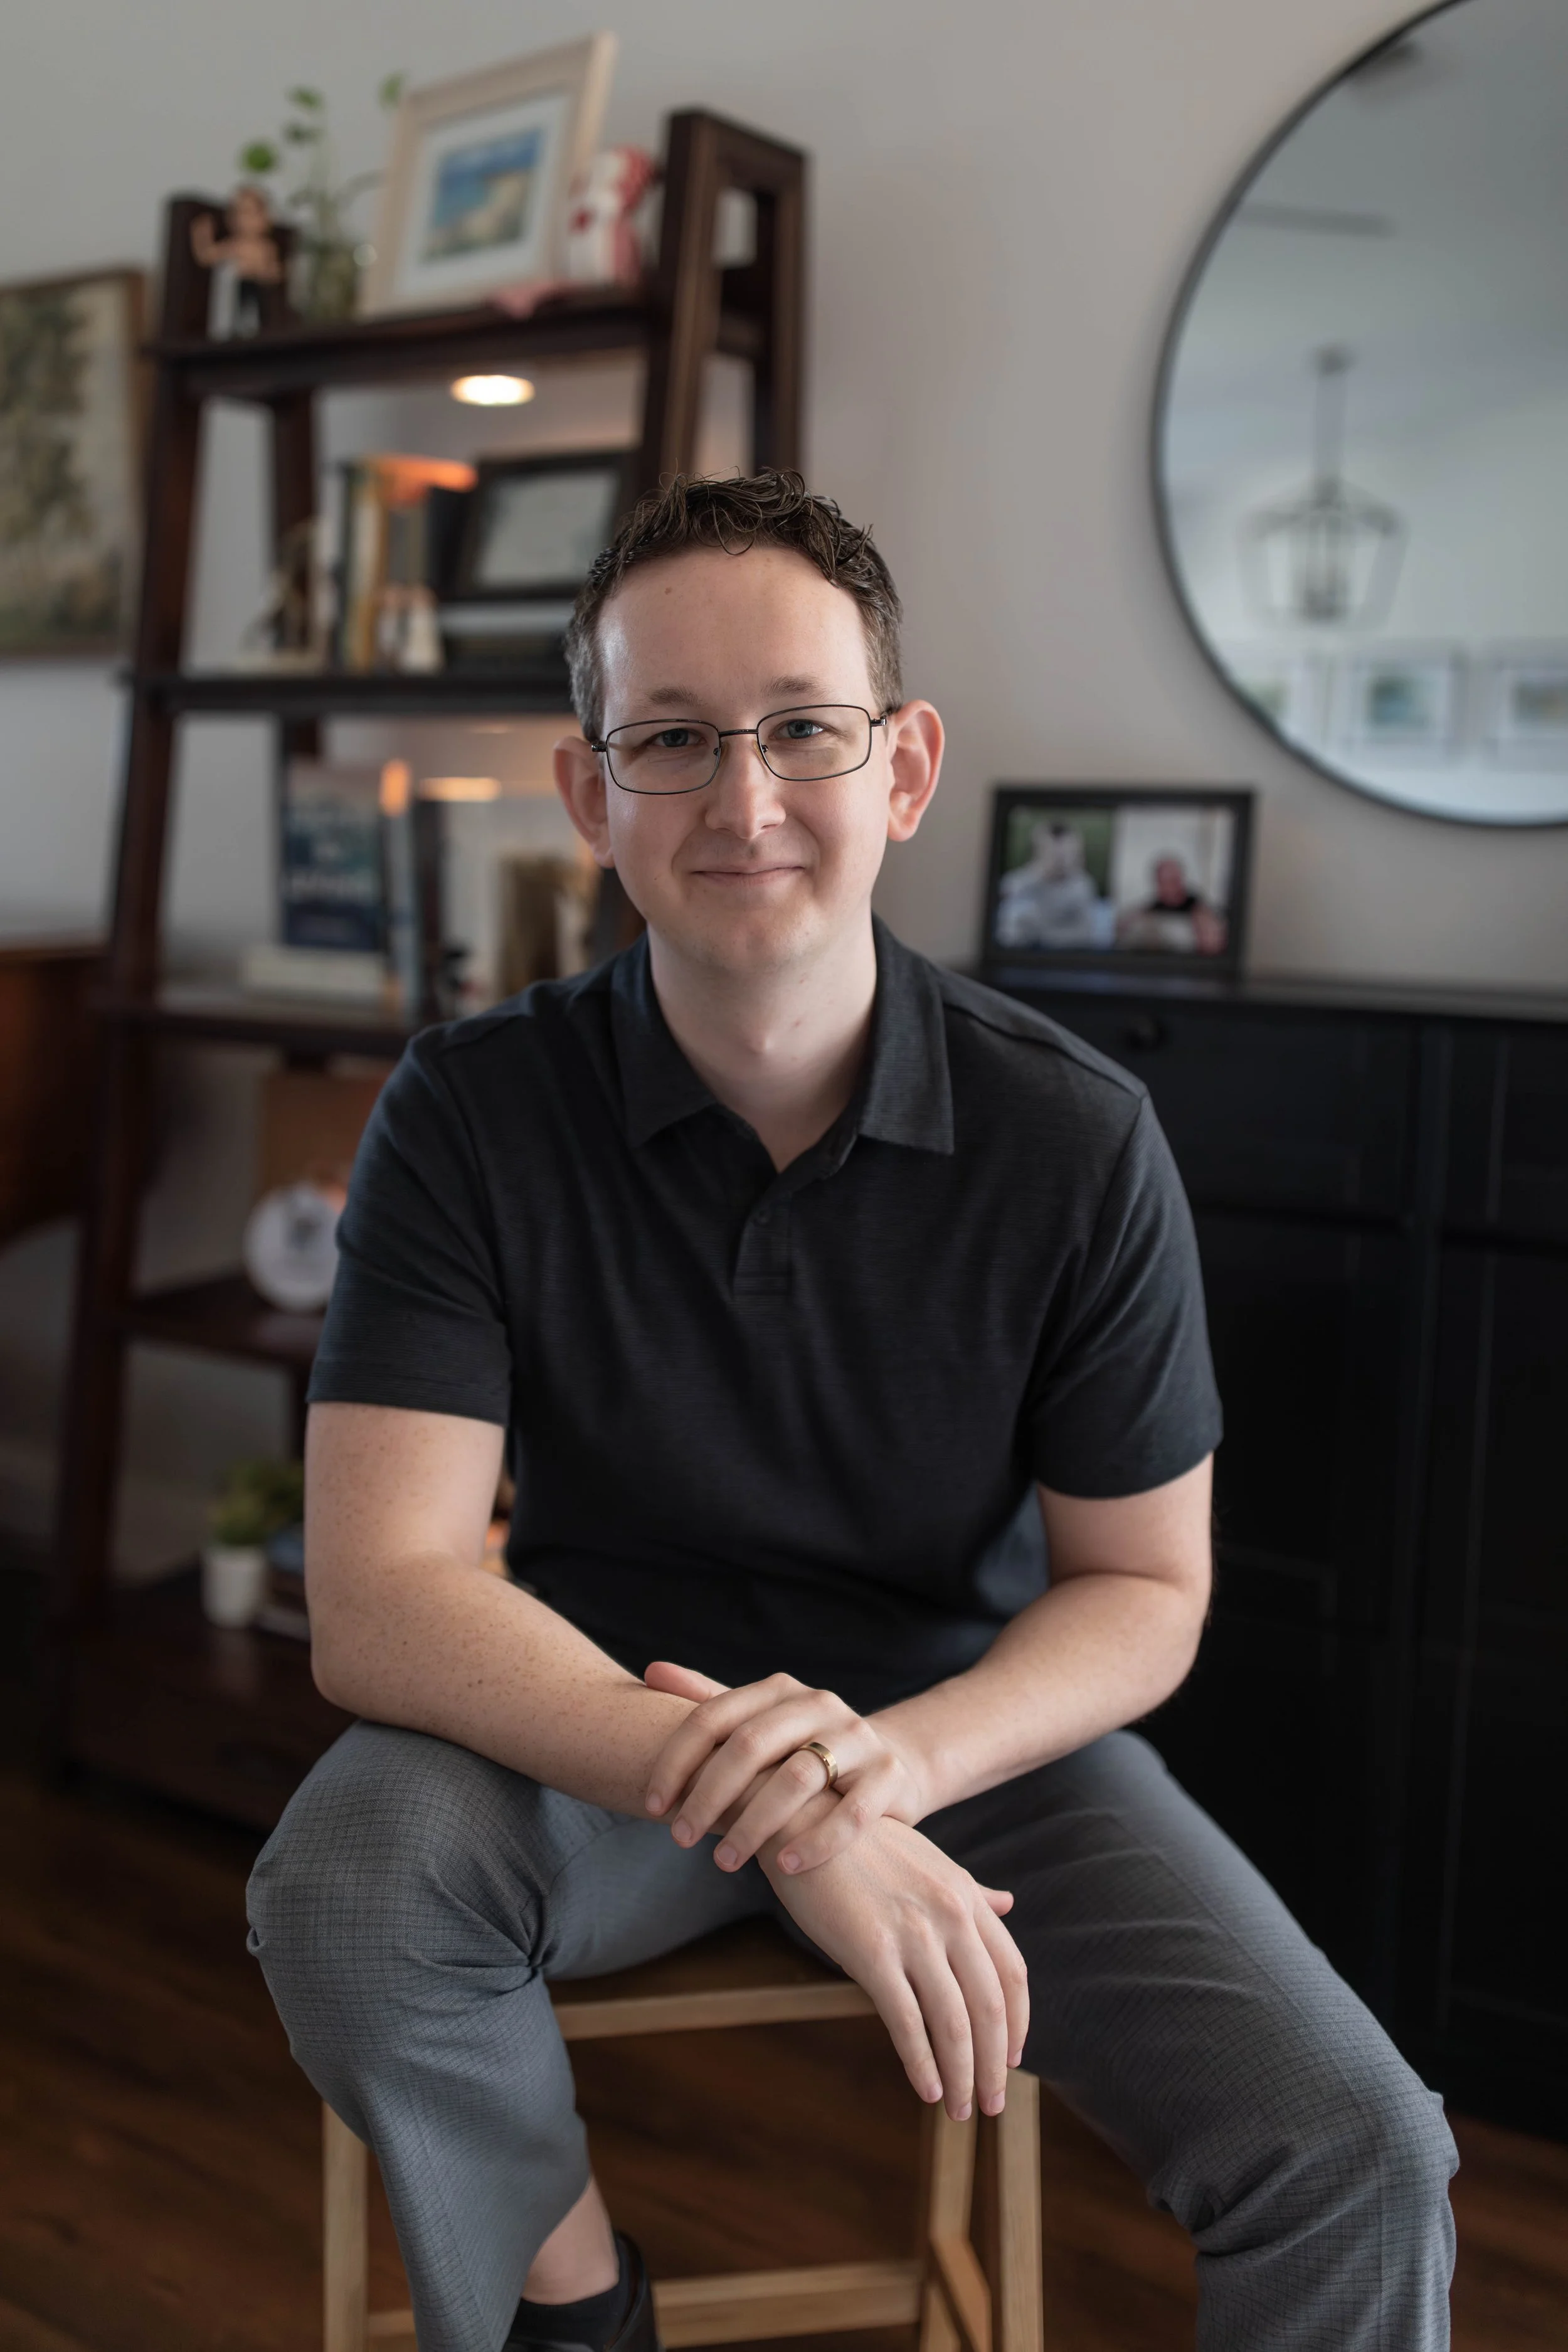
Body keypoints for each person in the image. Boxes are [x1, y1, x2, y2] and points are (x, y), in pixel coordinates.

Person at [246, 472, 1456, 2352]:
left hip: (973, 1751)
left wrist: (873, 1774)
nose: (739, 801)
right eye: (668, 739)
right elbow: (383, 1592)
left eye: (800, 728)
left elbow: (1141, 1582)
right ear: (589, 795)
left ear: (900, 767)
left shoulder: (1070, 1132)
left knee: (1355, 2142)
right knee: (341, 1896)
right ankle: (576, 2305)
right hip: (589, 1729)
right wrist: (787, 1811)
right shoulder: (470, 1111)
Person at [993, 819, 1106, 948]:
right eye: (1053, 853)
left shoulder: (1082, 886)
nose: (1061, 861)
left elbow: (1086, 934)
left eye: (1069, 853)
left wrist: (1043, 935)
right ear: (1037, 852)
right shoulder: (1019, 881)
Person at [1117, 852, 1229, 956]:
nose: (1169, 887)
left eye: (1173, 880)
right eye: (1163, 881)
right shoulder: (1147, 911)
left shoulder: (1201, 910)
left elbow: (1213, 946)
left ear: (1180, 880)